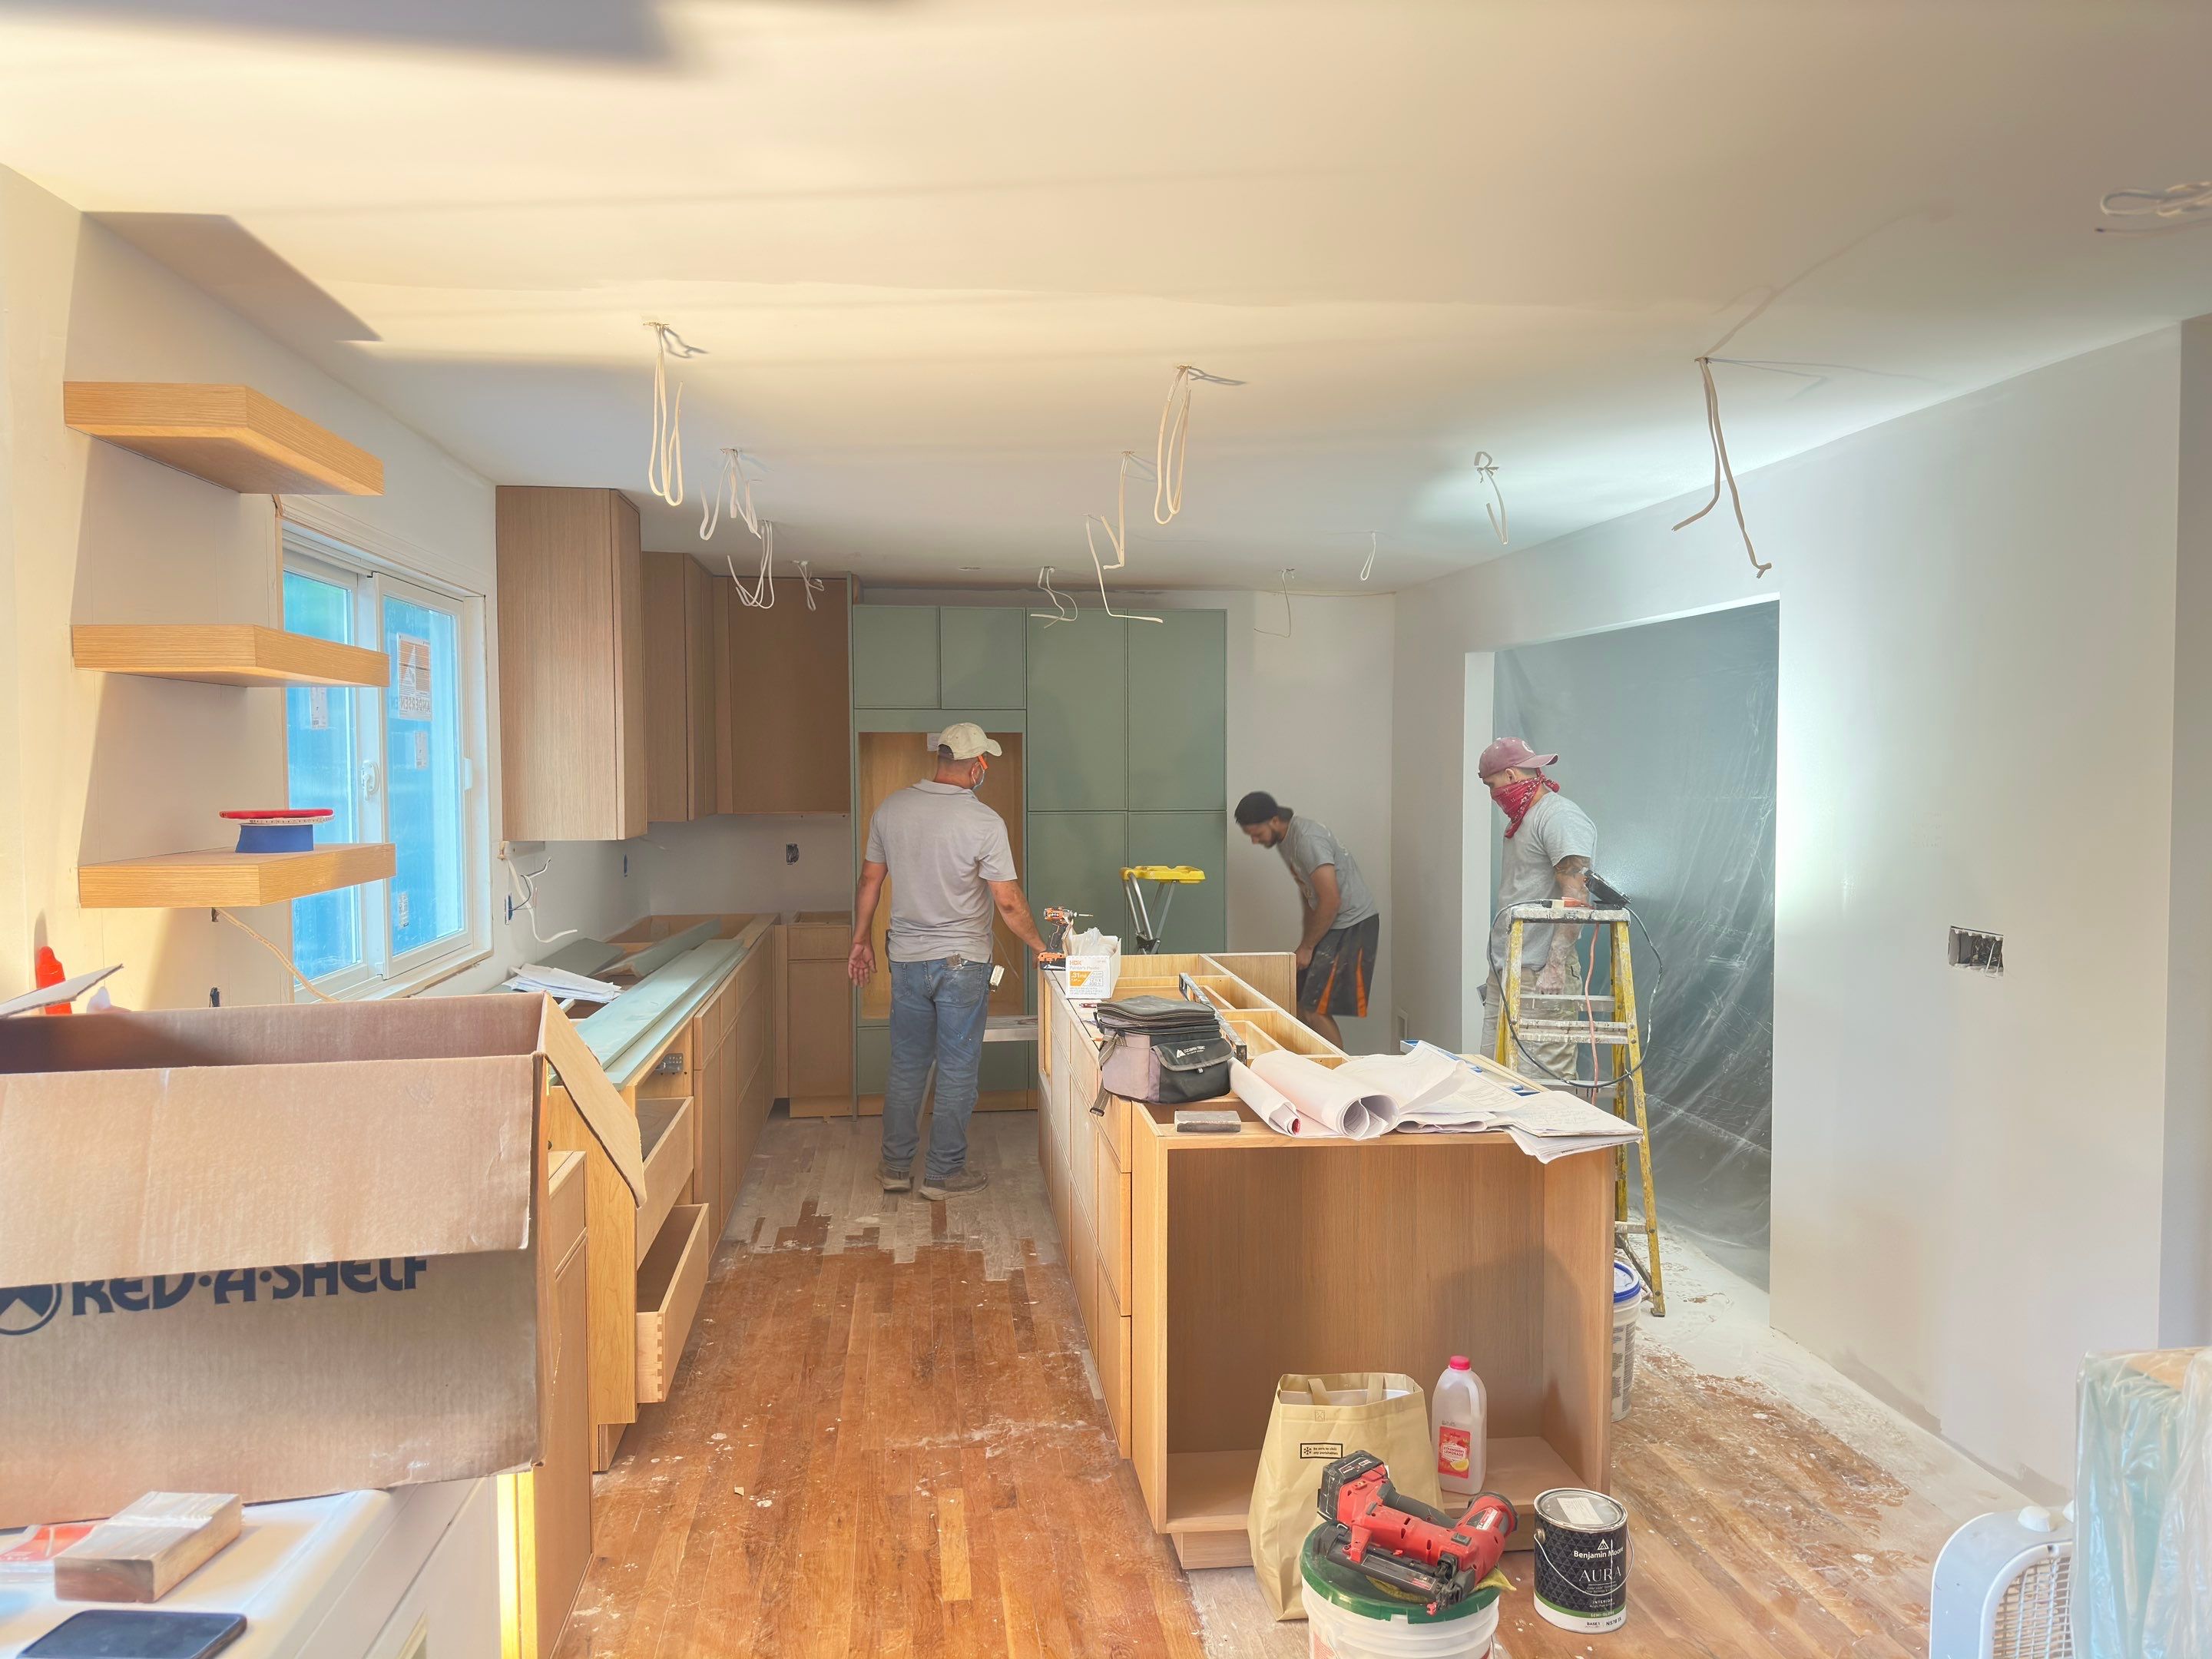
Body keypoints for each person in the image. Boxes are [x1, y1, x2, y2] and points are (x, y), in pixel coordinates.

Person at [849, 723, 1060, 1200]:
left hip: (905, 959)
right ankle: (944, 1174)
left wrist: (860, 940)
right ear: (976, 765)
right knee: (958, 1065)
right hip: (964, 962)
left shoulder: (892, 809)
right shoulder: (984, 823)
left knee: (907, 1064)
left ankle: (895, 1168)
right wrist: (1039, 946)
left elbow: (869, 882)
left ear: (940, 758)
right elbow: (1007, 901)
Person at [1475, 737, 1596, 1084]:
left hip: (1540, 973)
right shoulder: (1522, 822)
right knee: (1495, 1078)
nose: (1492, 794)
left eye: (1492, 784)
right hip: (1509, 969)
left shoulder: (1558, 817)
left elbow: (1576, 893)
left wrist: (1555, 966)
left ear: (1511, 776)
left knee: (1541, 1085)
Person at [1233, 790, 1380, 1047]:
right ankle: (1313, 1066)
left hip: (1352, 924)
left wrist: (1308, 947)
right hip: (1333, 923)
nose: (1255, 841)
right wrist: (1305, 943)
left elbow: (1331, 899)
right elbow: (1309, 893)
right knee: (1298, 1003)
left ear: (1275, 821)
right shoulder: (1285, 841)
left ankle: (1338, 1074)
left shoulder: (1307, 839)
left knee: (1314, 1008)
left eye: (1257, 834)